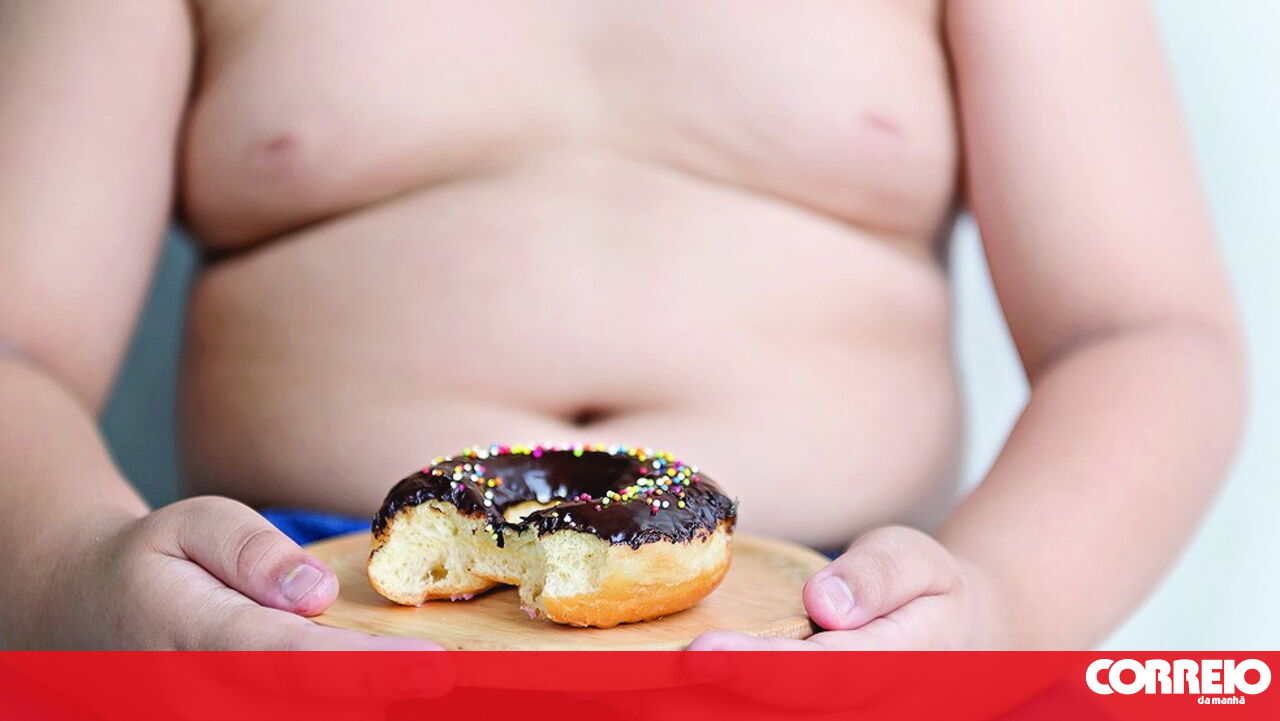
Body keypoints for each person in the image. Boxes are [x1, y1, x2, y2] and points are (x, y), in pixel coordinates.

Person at [0, 0, 1245, 652]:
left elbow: (1135, 333)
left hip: (844, 635)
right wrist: (75, 577)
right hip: (299, 623)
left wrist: (999, 611)